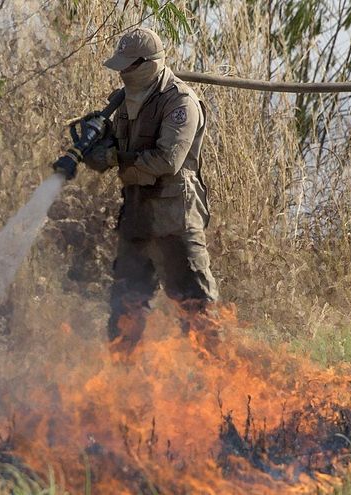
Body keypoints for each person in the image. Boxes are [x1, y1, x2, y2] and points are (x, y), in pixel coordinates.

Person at [83, 27, 219, 349]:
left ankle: (220, 389)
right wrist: (92, 150)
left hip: (175, 221)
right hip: (137, 218)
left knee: (196, 309)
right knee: (125, 310)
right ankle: (121, 384)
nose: (123, 74)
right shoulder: (124, 102)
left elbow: (166, 161)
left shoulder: (180, 102)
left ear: (148, 64)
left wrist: (117, 156)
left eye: (129, 67)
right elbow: (113, 154)